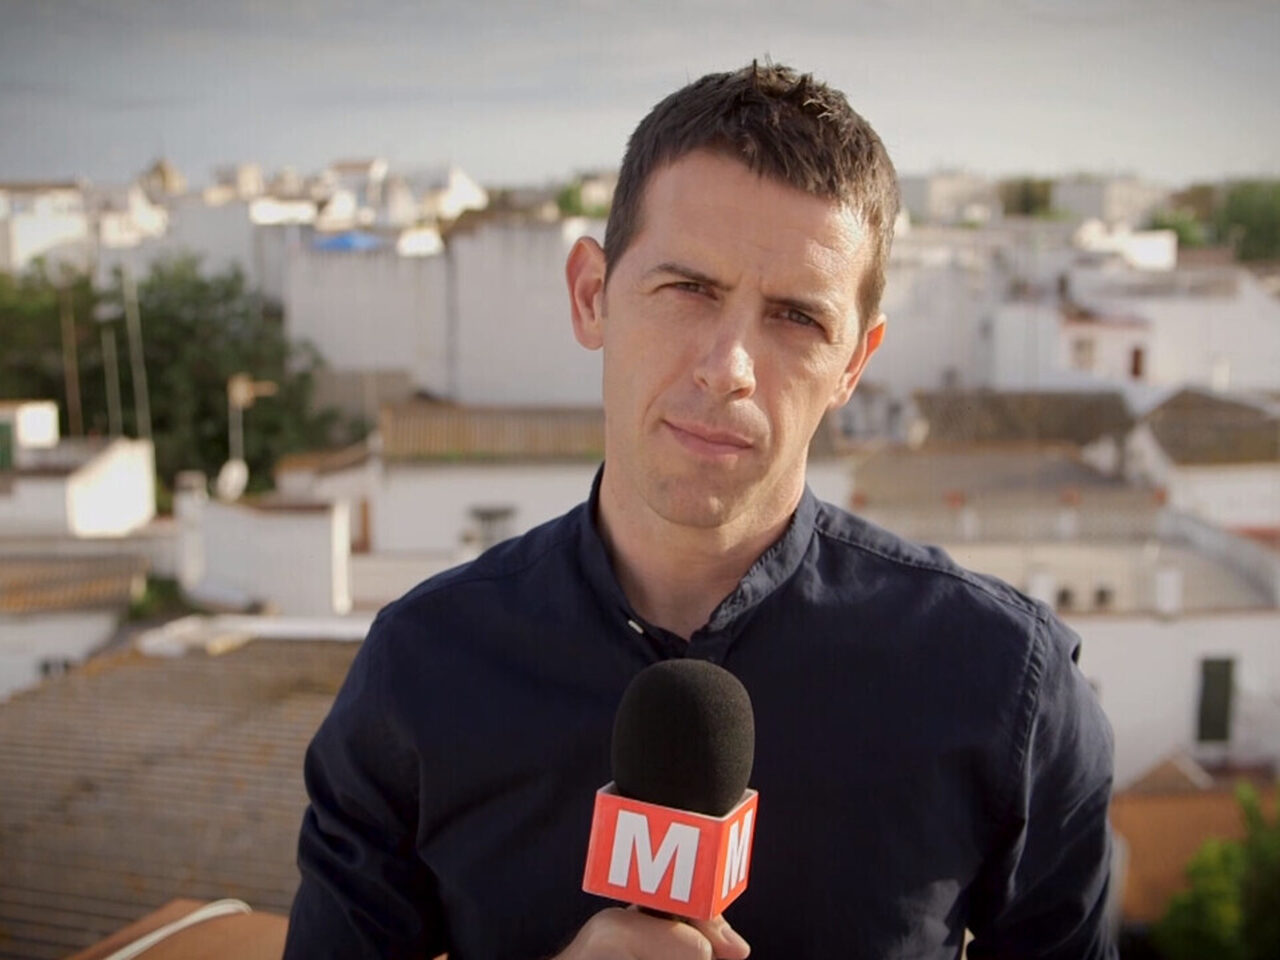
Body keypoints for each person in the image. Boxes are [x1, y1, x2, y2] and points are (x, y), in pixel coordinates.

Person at [284, 62, 1116, 959]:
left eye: (796, 318)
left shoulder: (1004, 683)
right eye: (689, 290)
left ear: (854, 364)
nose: (729, 369)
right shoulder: (423, 667)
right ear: (591, 295)